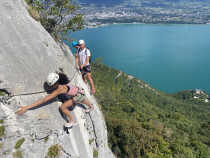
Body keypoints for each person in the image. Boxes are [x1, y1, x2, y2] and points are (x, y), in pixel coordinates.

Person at [16, 72, 94, 128]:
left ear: (56, 83)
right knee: (83, 99)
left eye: (52, 85)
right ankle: (91, 106)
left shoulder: (59, 90)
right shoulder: (61, 81)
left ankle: (72, 120)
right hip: (78, 90)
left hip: (77, 95)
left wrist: (26, 107)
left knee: (63, 107)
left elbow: (44, 100)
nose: (51, 87)